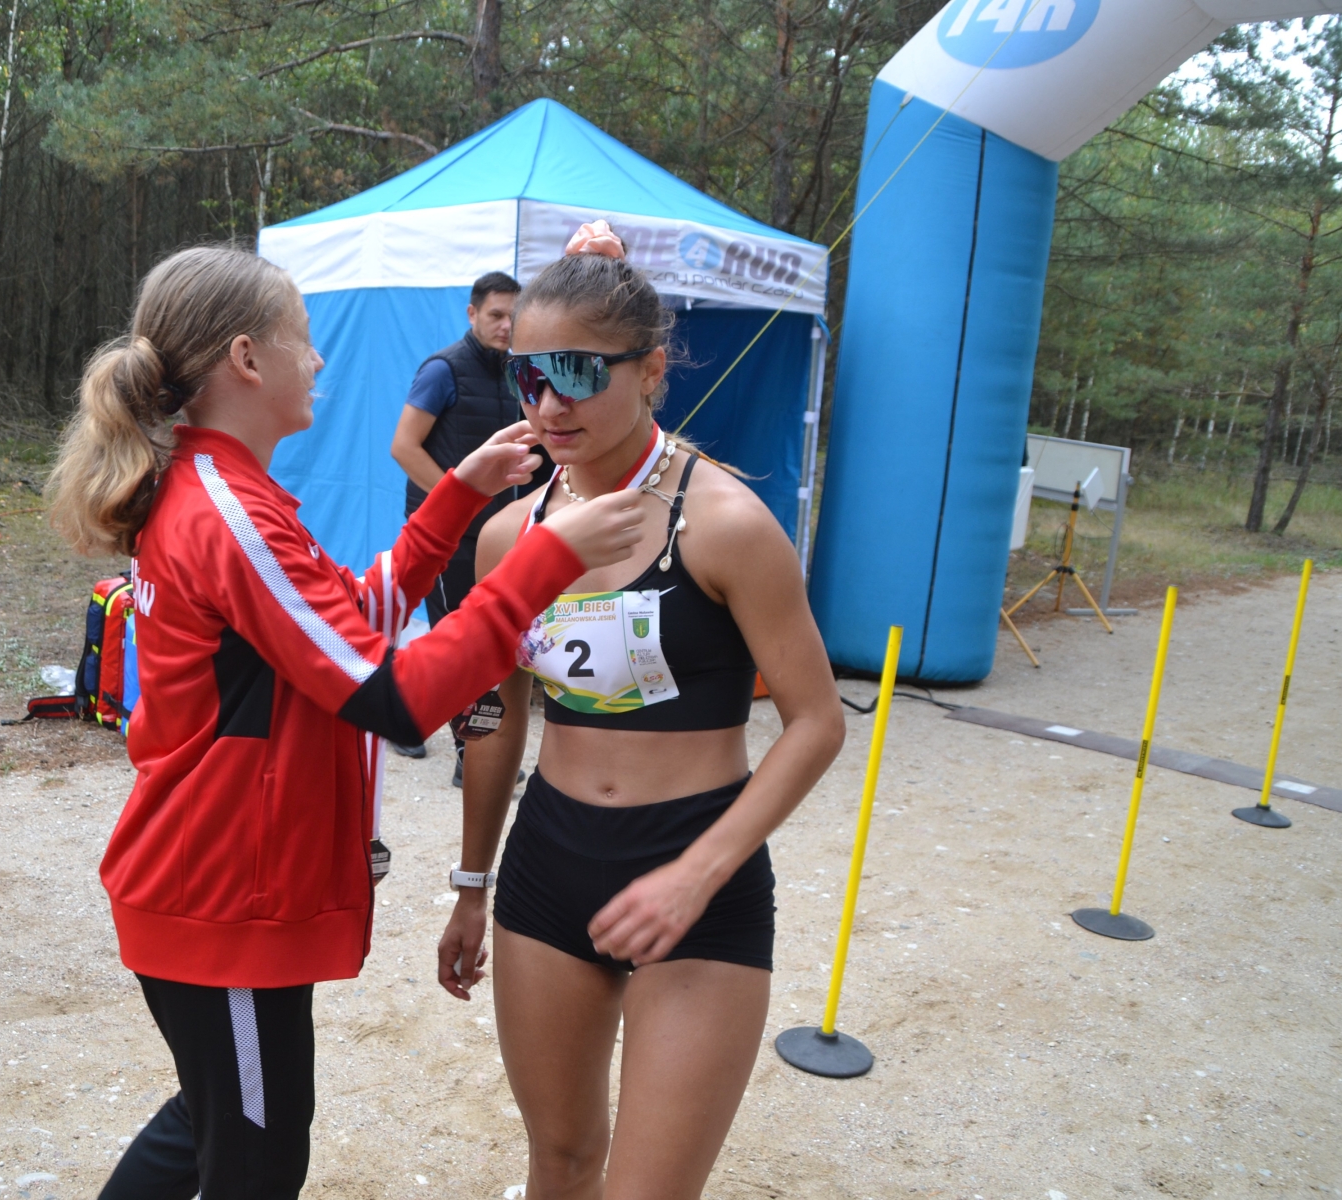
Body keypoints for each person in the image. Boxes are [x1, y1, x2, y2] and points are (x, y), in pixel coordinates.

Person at [45, 244, 647, 1200]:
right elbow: (389, 694)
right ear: (247, 359)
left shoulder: (227, 495)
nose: (318, 359)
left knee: (212, 1123)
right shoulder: (228, 515)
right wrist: (543, 562)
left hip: (223, 888)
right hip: (220, 899)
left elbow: (350, 620)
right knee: (255, 1163)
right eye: (303, 338)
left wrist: (457, 495)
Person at [434, 224, 846, 1200]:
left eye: (579, 372)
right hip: (548, 865)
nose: (550, 403)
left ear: (651, 370)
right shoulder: (508, 539)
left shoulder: (726, 524)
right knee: (560, 1163)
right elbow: (496, 721)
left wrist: (696, 875)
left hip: (693, 871)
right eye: (529, 375)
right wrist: (471, 883)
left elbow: (816, 722)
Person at [388, 271, 544, 779]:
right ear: (472, 313)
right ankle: (468, 755)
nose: (505, 326)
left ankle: (405, 719)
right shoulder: (444, 370)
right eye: (495, 315)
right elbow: (404, 446)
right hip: (447, 534)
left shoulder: (519, 371)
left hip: (497, 534)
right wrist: (459, 502)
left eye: (513, 316)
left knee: (480, 639)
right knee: (459, 641)